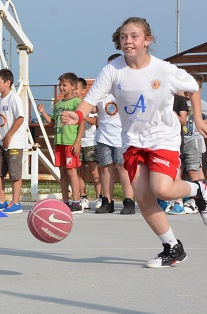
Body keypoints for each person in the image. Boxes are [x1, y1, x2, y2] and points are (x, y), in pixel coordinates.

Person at [62, 16, 207, 268]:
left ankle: (198, 189)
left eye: (134, 36)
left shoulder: (163, 69)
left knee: (163, 190)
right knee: (144, 197)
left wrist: (199, 119)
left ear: (147, 40)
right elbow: (91, 98)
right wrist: (78, 114)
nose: (128, 41)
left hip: (163, 137)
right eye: (124, 36)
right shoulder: (113, 69)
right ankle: (172, 248)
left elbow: (192, 87)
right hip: (132, 141)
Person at [93, 54, 135, 215]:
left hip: (122, 135)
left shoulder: (127, 88)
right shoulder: (101, 89)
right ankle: (107, 201)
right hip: (103, 134)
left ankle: (129, 201)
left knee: (122, 167)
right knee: (105, 168)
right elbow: (92, 107)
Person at [37, 72, 83, 212]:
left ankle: (76, 201)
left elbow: (81, 123)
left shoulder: (77, 102)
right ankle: (65, 201)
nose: (61, 88)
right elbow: (52, 123)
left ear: (73, 86)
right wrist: (43, 112)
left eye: (64, 85)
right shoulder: (58, 104)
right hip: (59, 142)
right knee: (62, 172)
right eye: (60, 85)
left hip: (70, 141)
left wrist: (77, 141)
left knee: (71, 171)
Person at [178, 73, 207, 214]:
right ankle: (204, 198)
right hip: (180, 141)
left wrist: (200, 123)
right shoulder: (178, 101)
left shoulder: (199, 103)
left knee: (193, 170)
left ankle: (194, 200)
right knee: (185, 171)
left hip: (193, 140)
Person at [0, 68, 25, 213]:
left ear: (8, 83)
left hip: (14, 142)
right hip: (0, 141)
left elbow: (20, 118)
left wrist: (9, 136)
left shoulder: (14, 98)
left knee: (14, 173)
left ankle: (16, 202)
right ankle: (1, 200)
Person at [76, 76, 100, 210]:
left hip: (90, 141)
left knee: (94, 171)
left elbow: (94, 121)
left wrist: (80, 115)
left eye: (77, 88)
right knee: (79, 172)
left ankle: (99, 197)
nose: (74, 90)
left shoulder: (88, 104)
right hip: (77, 142)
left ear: (83, 91)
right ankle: (83, 197)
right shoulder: (72, 103)